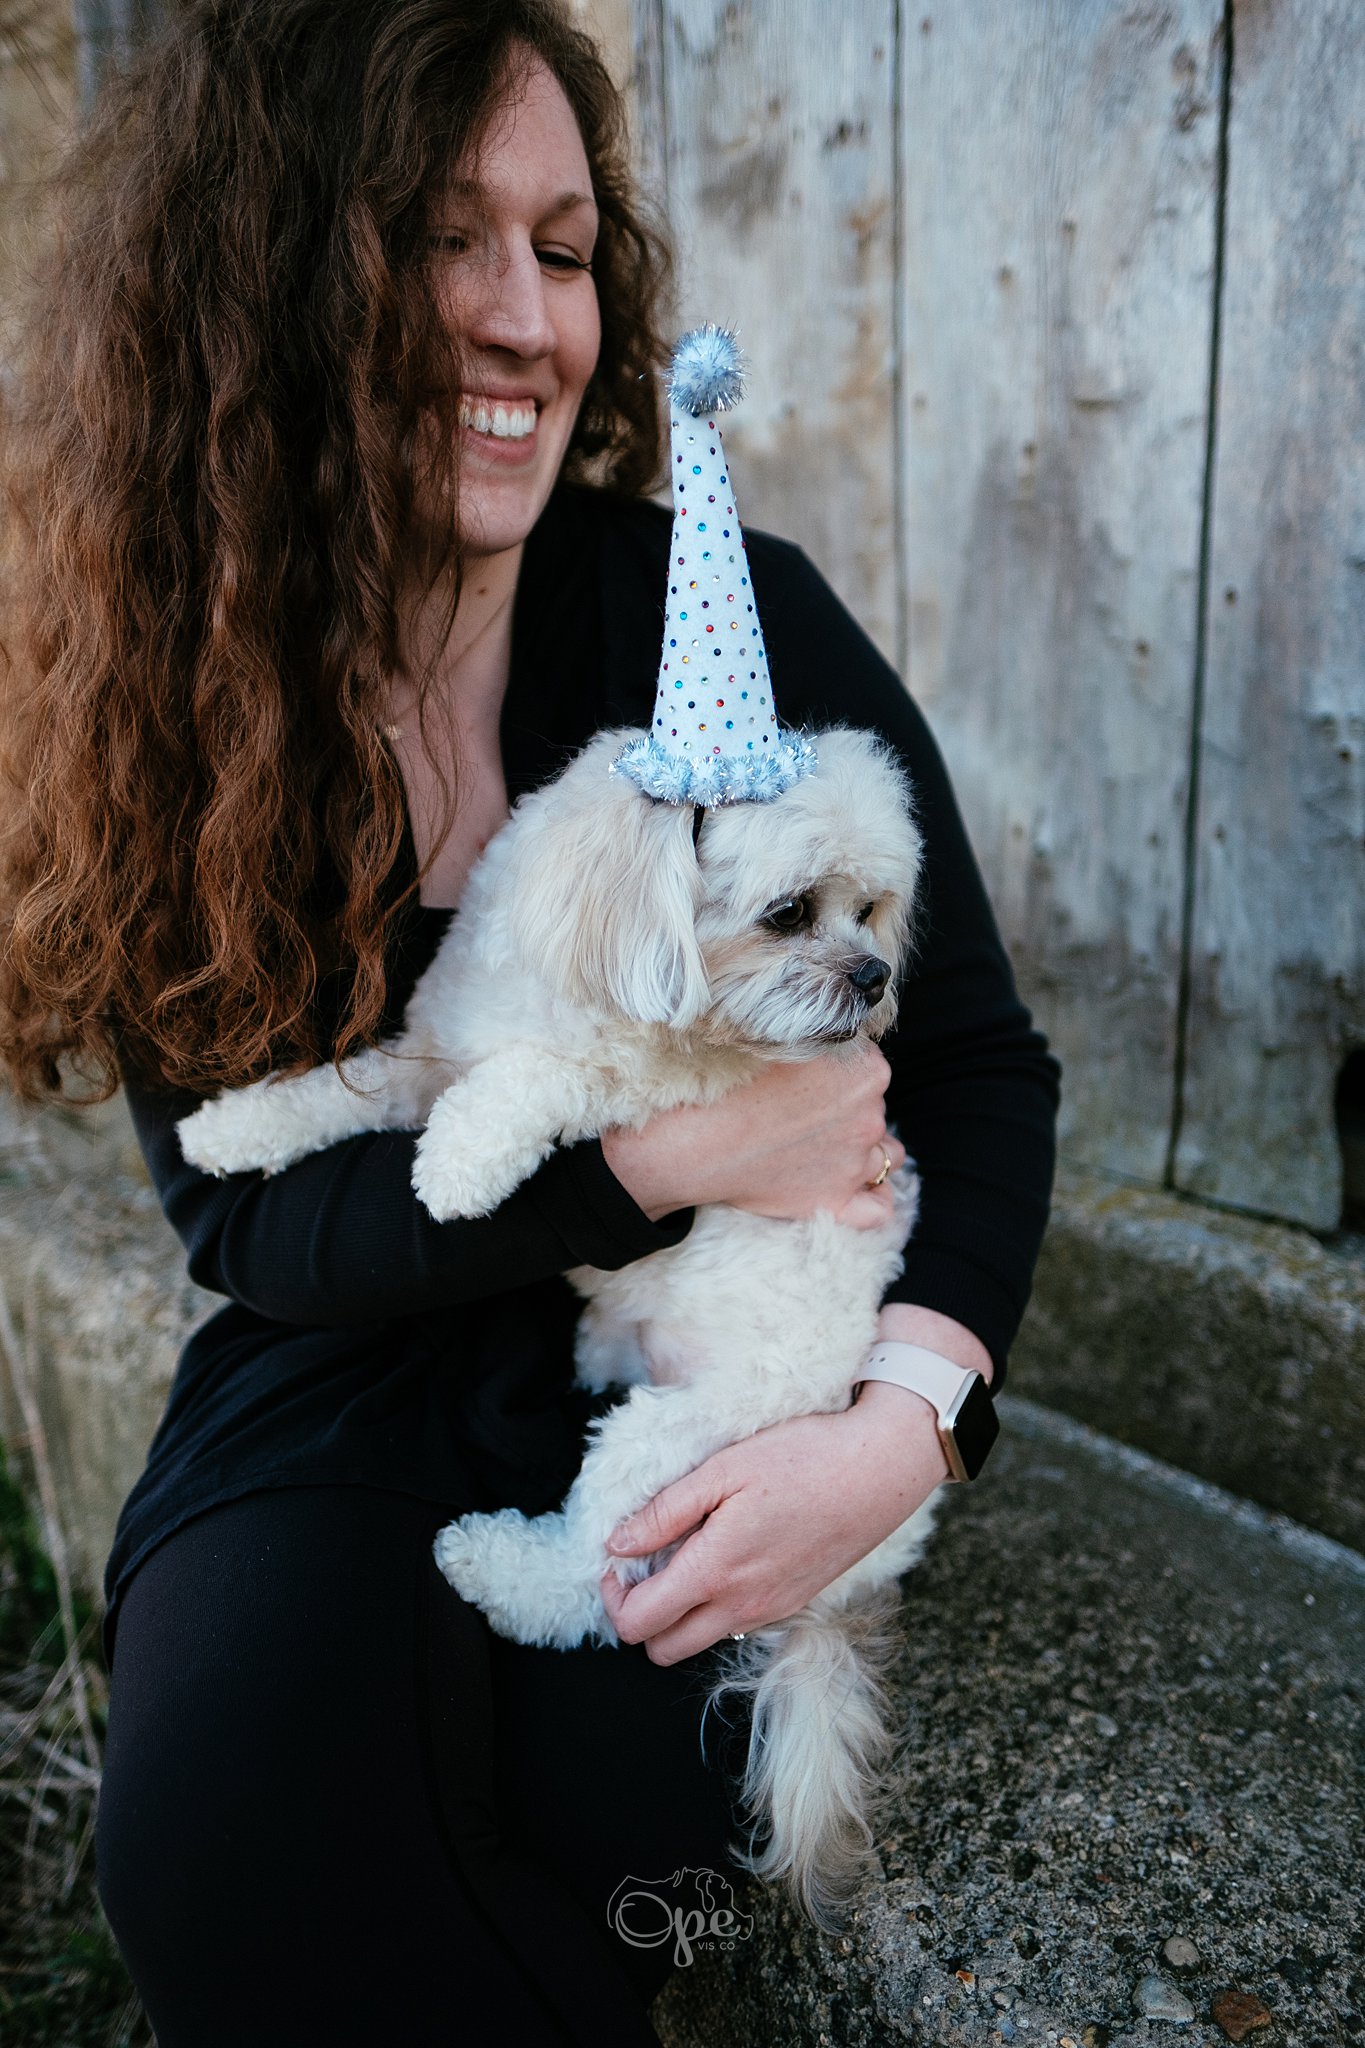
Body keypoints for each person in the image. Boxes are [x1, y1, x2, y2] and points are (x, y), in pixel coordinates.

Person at [0, 1, 1059, 2041]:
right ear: (276, 280)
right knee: (220, 1837)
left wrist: (898, 1431)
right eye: (437, 236)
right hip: (348, 1353)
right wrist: (654, 1154)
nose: (519, 317)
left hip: (721, 1355)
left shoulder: (727, 608)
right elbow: (250, 1227)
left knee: (631, 1812)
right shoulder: (174, 687)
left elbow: (980, 1070)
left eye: (563, 251)